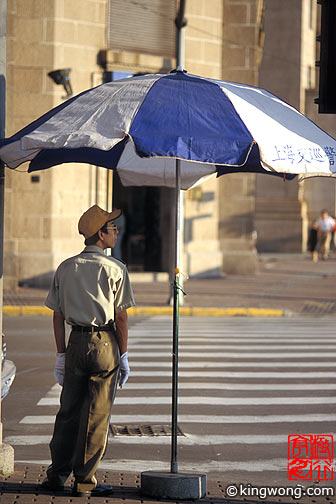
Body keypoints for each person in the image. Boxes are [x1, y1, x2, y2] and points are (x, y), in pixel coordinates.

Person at [41, 204, 135, 497]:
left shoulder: (66, 267)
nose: (116, 231)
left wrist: (60, 354)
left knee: (67, 412)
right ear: (99, 234)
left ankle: (56, 476)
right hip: (104, 343)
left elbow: (57, 315)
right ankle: (84, 481)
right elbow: (120, 317)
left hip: (75, 343)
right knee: (96, 415)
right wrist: (123, 355)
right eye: (112, 227)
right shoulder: (116, 268)